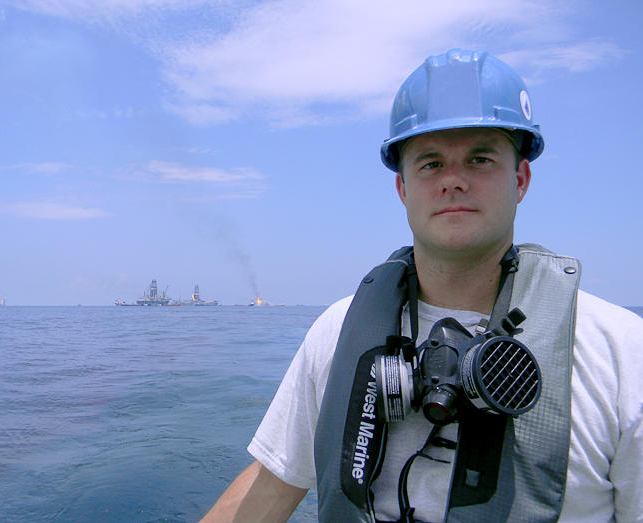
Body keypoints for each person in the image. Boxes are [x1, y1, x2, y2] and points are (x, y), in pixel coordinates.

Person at [199, 49, 643, 523]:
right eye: (430, 163)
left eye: (480, 159)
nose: (453, 180)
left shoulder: (621, 352)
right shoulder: (336, 331)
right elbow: (272, 485)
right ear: (403, 189)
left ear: (520, 179)